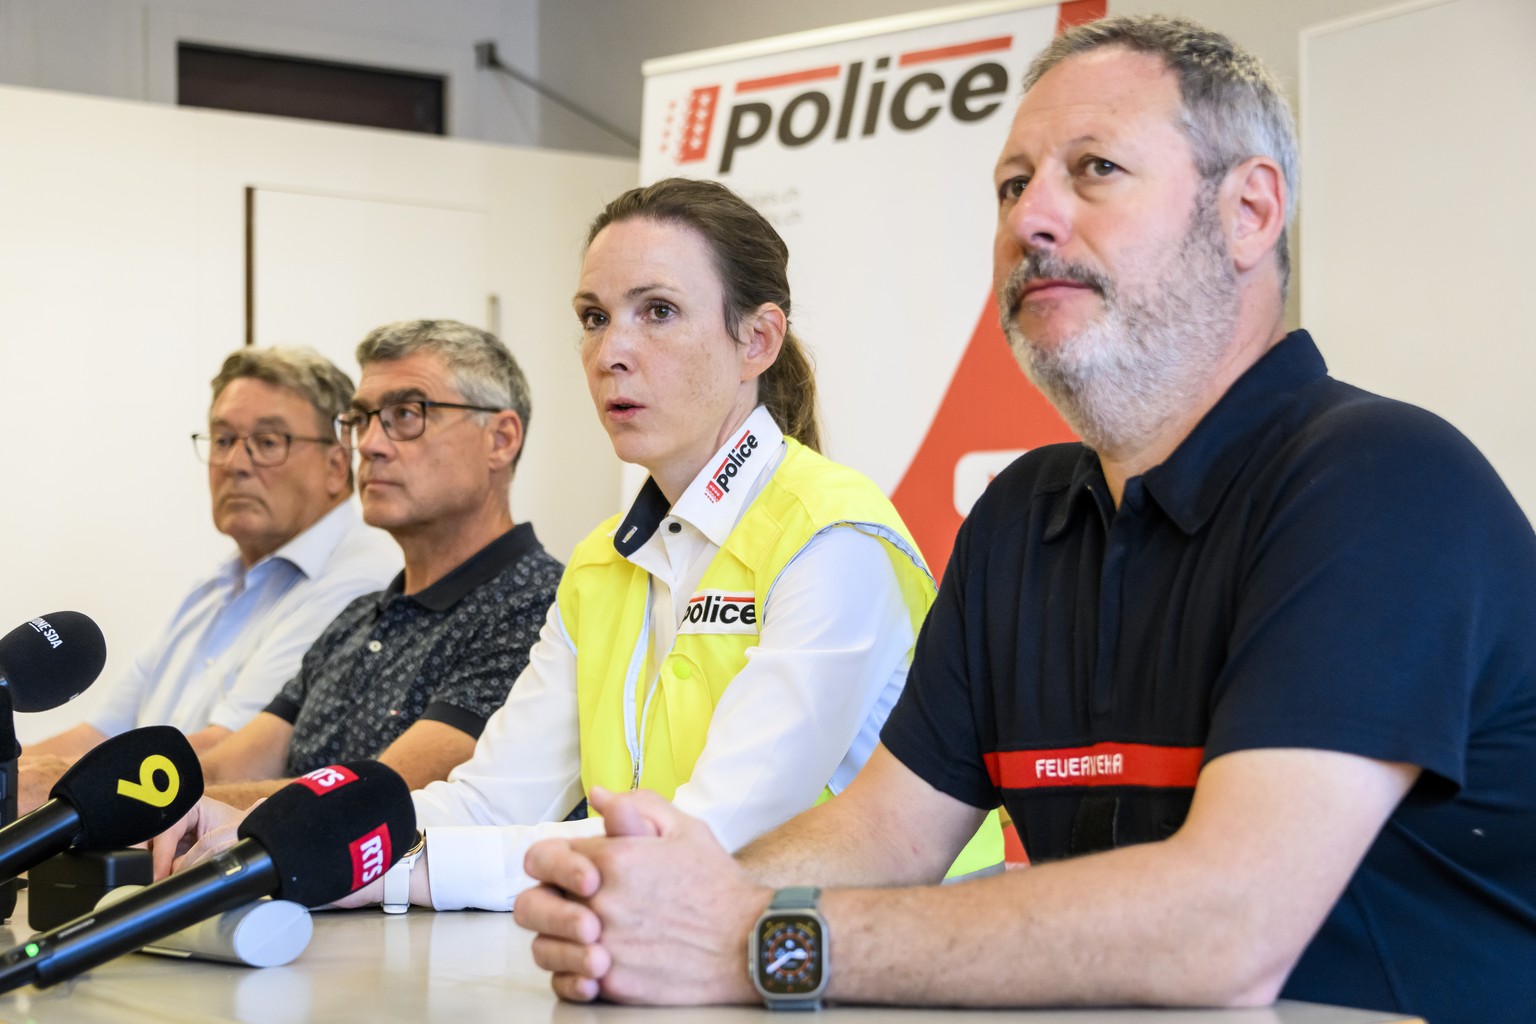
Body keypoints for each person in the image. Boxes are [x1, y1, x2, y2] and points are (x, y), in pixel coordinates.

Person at [512, 16, 1536, 1024]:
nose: (1030, 221)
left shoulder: (1382, 483)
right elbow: (887, 834)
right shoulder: (1021, 514)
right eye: (1012, 185)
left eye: (1094, 169)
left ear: (1250, 211)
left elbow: (1225, 926)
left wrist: (758, 939)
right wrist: (659, 898)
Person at [156, 179, 1000, 905]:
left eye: (657, 312)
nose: (611, 353)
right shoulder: (602, 563)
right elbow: (489, 802)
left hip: (872, 975)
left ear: (758, 340)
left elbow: (706, 842)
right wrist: (272, 836)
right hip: (679, 954)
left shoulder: (833, 539)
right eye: (594, 318)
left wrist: (369, 873)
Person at [165, 320, 562, 810]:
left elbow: (381, 795)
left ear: (500, 440)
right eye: (361, 420)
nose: (370, 444)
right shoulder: (357, 618)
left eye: (406, 414)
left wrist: (176, 813)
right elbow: (228, 767)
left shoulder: (539, 607)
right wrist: (110, 800)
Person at [20, 347, 398, 809]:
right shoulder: (214, 586)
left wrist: (57, 789)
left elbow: (229, 752)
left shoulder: (361, 579)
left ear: (337, 466)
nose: (236, 464)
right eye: (222, 440)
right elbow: (99, 733)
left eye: (268, 442)